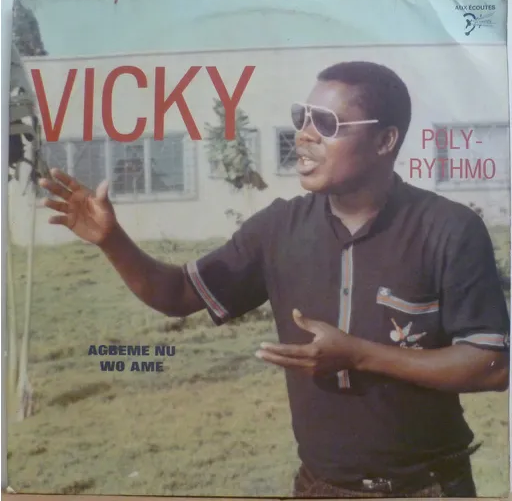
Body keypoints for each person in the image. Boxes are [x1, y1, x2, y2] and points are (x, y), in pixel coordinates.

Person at [39, 61, 510, 498]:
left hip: (428, 487)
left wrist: (360, 355)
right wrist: (112, 240)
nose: (303, 134)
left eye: (326, 123)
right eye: (301, 117)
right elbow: (178, 294)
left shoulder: (448, 229)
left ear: (385, 140)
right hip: (318, 487)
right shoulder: (279, 229)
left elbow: (491, 365)